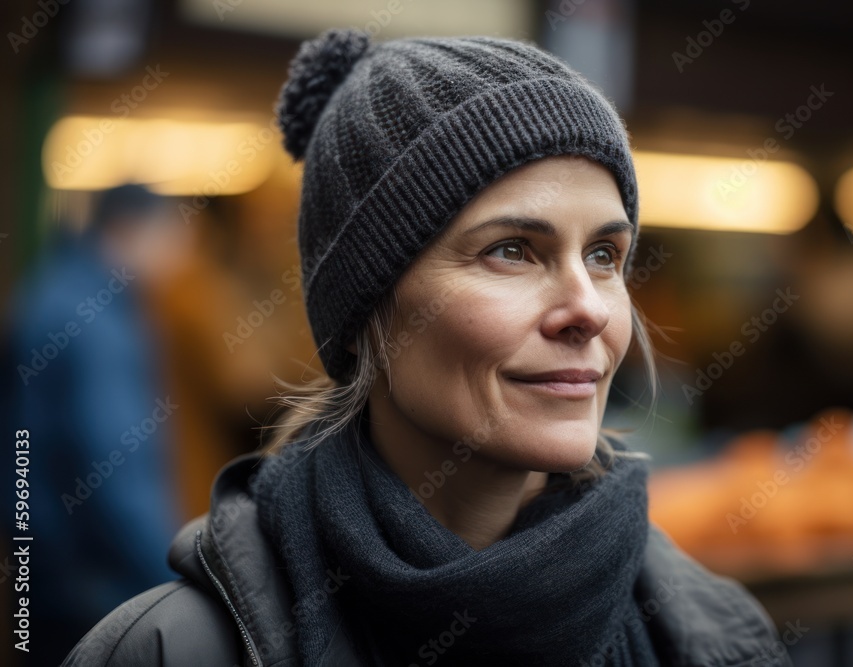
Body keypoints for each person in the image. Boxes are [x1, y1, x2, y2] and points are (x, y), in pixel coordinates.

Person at [63, 29, 791, 666]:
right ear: (366, 307)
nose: (589, 309)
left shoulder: (715, 637)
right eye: (513, 250)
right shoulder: (173, 649)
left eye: (605, 255)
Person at [5, 185, 184, 665]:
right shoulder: (96, 324)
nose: (178, 254)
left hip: (42, 566)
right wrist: (174, 579)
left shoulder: (55, 288)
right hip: (89, 586)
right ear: (129, 228)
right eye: (171, 235)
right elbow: (116, 470)